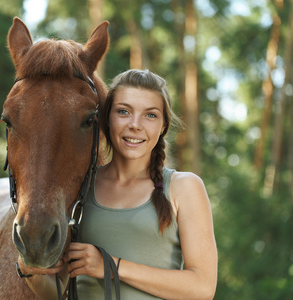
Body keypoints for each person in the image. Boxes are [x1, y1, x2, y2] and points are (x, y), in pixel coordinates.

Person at [18, 69, 218, 300]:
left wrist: (111, 266)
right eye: (123, 111)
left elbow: (202, 288)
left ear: (163, 126)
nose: (135, 124)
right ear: (107, 119)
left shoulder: (184, 187)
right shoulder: (81, 188)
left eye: (150, 115)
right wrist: (27, 270)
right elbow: (54, 292)